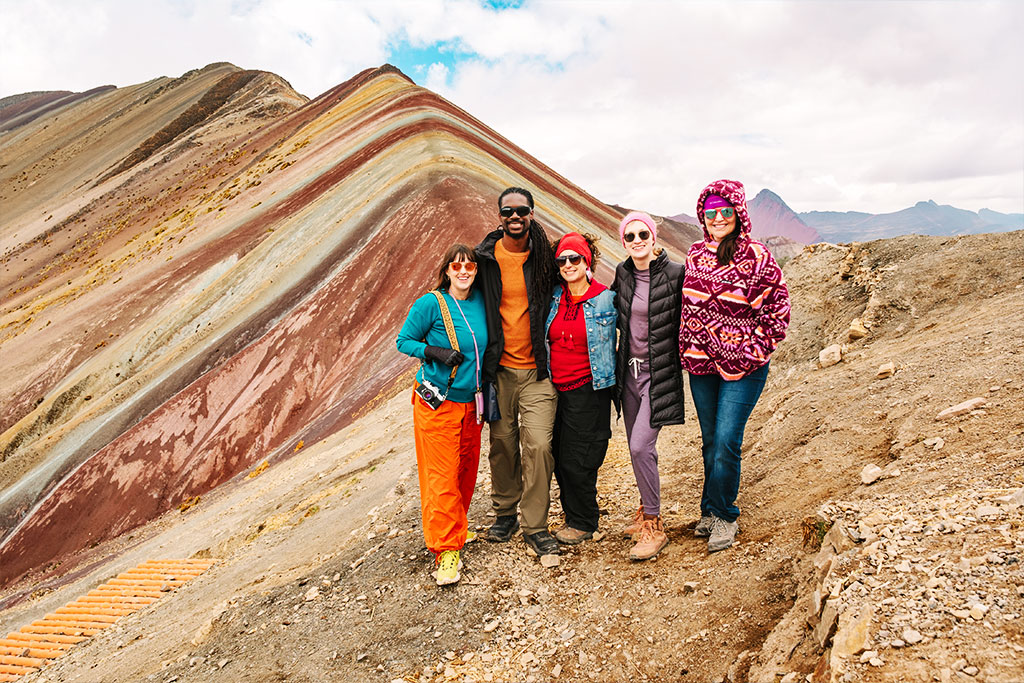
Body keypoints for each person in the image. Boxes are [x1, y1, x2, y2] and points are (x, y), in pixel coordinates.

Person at [681, 179, 791, 553]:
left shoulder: (757, 256)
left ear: (738, 213)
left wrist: (749, 351)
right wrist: (688, 348)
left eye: (725, 211)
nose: (717, 218)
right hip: (702, 367)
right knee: (711, 440)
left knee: (728, 439)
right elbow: (688, 311)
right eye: (710, 212)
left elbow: (779, 312)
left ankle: (726, 516)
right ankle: (710, 509)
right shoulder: (695, 255)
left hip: (745, 369)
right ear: (703, 217)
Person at [475, 187, 561, 566]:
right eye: (508, 210)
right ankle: (505, 513)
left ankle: (535, 524)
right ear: (499, 215)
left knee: (539, 446)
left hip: (539, 372)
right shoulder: (484, 260)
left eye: (521, 210)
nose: (515, 216)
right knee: (503, 445)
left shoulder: (546, 257)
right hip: (500, 373)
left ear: (531, 213)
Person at [396, 244, 488, 585]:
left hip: (472, 402)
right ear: (446, 270)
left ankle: (458, 527)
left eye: (469, 266)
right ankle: (446, 549)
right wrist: (432, 350)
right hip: (438, 402)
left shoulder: (480, 301)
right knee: (442, 476)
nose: (463, 271)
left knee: (466, 468)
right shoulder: (431, 304)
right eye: (456, 266)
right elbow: (403, 341)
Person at [611, 212, 686, 561]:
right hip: (628, 373)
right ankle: (645, 507)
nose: (638, 240)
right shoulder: (622, 273)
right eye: (630, 236)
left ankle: (654, 526)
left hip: (658, 374)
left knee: (642, 446)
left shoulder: (675, 274)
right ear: (623, 242)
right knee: (636, 448)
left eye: (644, 234)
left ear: (654, 238)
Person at [543, 233, 617, 545]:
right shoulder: (555, 297)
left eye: (575, 258)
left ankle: (585, 520)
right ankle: (574, 516)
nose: (569, 264)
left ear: (587, 262)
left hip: (589, 389)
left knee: (581, 458)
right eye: (562, 259)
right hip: (555, 390)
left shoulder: (606, 298)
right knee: (559, 456)